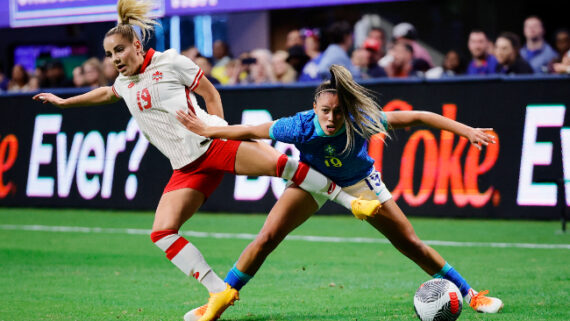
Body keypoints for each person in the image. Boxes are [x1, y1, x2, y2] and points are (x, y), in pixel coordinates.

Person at [31, 1, 380, 321]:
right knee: (162, 232)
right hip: (185, 166)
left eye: (120, 50)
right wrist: (65, 103)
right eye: (109, 54)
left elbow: (209, 92)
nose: (115, 59)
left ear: (137, 45)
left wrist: (220, 130)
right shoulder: (123, 83)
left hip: (211, 143)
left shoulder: (170, 61)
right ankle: (218, 291)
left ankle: (354, 203)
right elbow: (107, 92)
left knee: (283, 165)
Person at [177, 64, 504, 321]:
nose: (332, 118)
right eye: (325, 111)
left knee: (409, 242)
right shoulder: (298, 126)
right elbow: (248, 130)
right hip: (315, 180)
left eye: (337, 111)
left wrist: (466, 131)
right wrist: (207, 129)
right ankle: (220, 299)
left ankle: (470, 293)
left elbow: (417, 117)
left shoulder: (361, 120)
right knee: (266, 238)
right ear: (314, 108)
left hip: (360, 181)